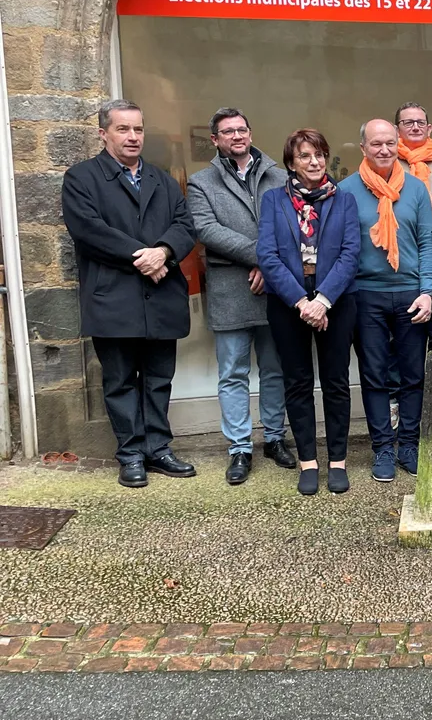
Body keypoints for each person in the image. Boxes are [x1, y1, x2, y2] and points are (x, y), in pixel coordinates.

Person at [61, 99, 197, 488]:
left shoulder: (162, 180)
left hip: (161, 296)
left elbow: (184, 225)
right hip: (114, 296)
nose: (133, 136)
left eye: (138, 129)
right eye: (123, 129)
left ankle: (159, 449)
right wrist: (144, 257)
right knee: (120, 380)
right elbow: (88, 230)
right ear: (103, 133)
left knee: (158, 378)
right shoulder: (82, 178)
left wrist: (165, 252)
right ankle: (132, 454)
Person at [187, 107, 292, 485]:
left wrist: (269, 266)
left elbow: (290, 225)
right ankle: (239, 448)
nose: (237, 136)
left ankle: (276, 438)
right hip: (231, 288)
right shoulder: (201, 182)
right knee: (233, 373)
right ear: (215, 140)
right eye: (228, 131)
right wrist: (262, 256)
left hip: (274, 287)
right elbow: (207, 229)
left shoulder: (280, 177)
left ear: (250, 133)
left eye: (242, 129)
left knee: (275, 369)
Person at [257, 129, 360, 496]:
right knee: (297, 382)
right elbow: (267, 255)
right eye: (304, 156)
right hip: (289, 305)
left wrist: (323, 300)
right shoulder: (273, 201)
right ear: (291, 163)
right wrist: (302, 302)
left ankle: (337, 461)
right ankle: (307, 462)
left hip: (336, 302)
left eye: (318, 155)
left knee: (335, 383)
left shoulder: (344, 200)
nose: (313, 162)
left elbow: (350, 253)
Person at [338, 119, 432, 483]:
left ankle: (409, 444)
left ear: (398, 145)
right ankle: (382, 447)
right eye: (376, 144)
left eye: (390, 143)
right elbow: (342, 249)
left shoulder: (415, 189)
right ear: (362, 148)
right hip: (366, 295)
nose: (384, 150)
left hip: (411, 293)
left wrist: (427, 291)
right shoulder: (345, 191)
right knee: (374, 375)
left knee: (413, 375)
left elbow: (427, 243)